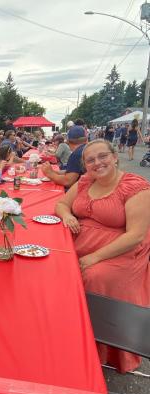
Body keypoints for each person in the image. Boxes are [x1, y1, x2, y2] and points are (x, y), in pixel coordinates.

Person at [55, 139, 150, 373]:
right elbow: (61, 204)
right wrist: (68, 215)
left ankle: (95, 352)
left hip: (121, 251)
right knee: (55, 265)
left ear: (115, 157)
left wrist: (95, 257)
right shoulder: (85, 182)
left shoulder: (135, 187)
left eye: (102, 156)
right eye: (90, 160)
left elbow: (136, 235)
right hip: (84, 244)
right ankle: (68, 338)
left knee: (92, 277)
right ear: (85, 165)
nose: (97, 163)